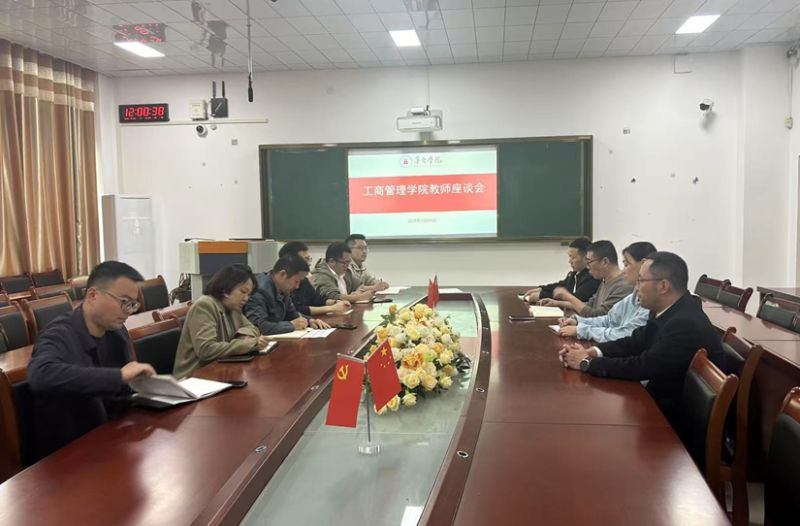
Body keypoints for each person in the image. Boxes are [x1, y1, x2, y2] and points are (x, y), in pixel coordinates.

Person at [557, 251, 725, 422]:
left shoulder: (684, 324)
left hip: (673, 422)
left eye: (641, 281)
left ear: (663, 286)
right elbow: (636, 342)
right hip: (660, 403)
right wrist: (594, 351)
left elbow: (642, 366)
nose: (636, 288)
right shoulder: (666, 309)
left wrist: (587, 363)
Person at [27, 261, 156, 459]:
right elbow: (40, 375)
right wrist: (118, 376)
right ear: (93, 295)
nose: (128, 311)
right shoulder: (59, 334)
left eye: (133, 304)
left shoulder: (116, 331)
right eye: (124, 301)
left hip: (111, 440)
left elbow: (119, 399)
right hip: (67, 455)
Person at [173, 264, 270, 378]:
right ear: (225, 290)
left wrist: (241, 337)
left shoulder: (233, 307)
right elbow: (206, 350)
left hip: (219, 370)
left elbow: (252, 328)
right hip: (195, 376)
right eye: (243, 292)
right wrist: (245, 344)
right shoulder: (204, 306)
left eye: (248, 294)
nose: (246, 298)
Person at [557, 241, 656, 342]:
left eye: (627, 264)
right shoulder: (632, 297)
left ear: (643, 265)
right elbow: (609, 319)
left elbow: (624, 334)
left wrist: (581, 330)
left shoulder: (650, 304)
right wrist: (578, 321)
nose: (623, 271)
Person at [540, 240, 633, 317]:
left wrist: (568, 297)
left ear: (604, 262)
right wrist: (557, 303)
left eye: (589, 262)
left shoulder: (623, 286)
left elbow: (598, 315)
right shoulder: (605, 280)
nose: (588, 267)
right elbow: (590, 305)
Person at [244, 255, 331, 335]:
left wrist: (310, 320)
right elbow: (258, 326)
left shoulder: (283, 289)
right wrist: (291, 325)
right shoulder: (258, 291)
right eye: (296, 281)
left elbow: (292, 314)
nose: (297, 286)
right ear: (283, 274)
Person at [278, 241, 351, 317]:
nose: (309, 264)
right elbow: (298, 309)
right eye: (305, 259)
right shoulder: (284, 282)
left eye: (309, 259)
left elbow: (317, 300)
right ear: (290, 260)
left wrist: (335, 302)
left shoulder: (304, 280)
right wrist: (331, 308)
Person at [523, 237, 599, 303]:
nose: (569, 261)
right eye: (569, 257)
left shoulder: (592, 277)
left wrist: (542, 295)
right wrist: (541, 289)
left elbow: (575, 298)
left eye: (573, 257)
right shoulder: (574, 274)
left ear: (586, 258)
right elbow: (561, 286)